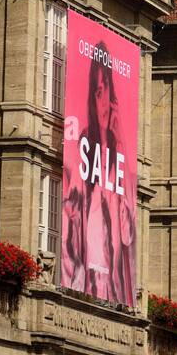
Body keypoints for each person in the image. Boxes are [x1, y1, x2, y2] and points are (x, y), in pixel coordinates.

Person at [62, 42, 136, 304]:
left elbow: (128, 234)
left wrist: (122, 143)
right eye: (97, 92)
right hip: (83, 290)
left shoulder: (119, 160)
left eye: (106, 92)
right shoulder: (83, 148)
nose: (102, 102)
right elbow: (70, 236)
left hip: (113, 297)